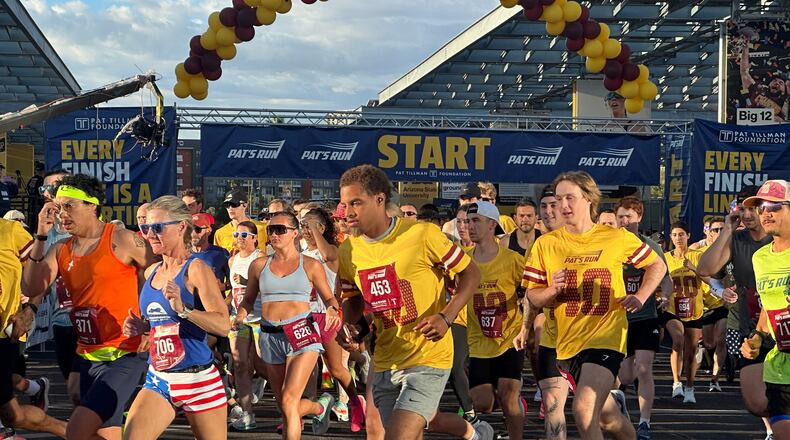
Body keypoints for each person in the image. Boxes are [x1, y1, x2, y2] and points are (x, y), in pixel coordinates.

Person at [336, 165, 490, 440]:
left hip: (428, 357)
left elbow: (471, 272)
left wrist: (446, 316)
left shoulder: (422, 235)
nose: (347, 212)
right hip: (385, 360)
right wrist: (351, 326)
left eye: (356, 202)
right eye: (345, 204)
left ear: (380, 199)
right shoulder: (349, 250)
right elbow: (353, 299)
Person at [526, 171, 666, 440]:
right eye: (558, 199)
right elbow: (533, 296)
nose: (562, 205)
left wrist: (641, 295)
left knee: (583, 409)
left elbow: (657, 264)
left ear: (589, 199)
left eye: (570, 198)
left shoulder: (614, 237)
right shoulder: (546, 244)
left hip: (606, 336)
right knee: (607, 418)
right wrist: (552, 290)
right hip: (567, 342)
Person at [21, 173, 155, 440]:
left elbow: (160, 277)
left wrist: (152, 325)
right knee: (106, 433)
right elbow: (31, 288)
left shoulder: (122, 239)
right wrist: (40, 235)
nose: (62, 215)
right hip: (88, 354)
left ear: (92, 205)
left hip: (125, 353)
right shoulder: (60, 249)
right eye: (58, 208)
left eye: (70, 206)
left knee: (78, 428)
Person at [122, 196, 230, 439]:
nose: (149, 234)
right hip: (159, 378)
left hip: (198, 381)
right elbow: (161, 323)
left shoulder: (196, 269)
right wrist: (143, 327)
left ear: (181, 226)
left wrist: (185, 310)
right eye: (145, 228)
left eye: (157, 227)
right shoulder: (151, 272)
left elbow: (223, 325)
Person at [234, 211, 341, 439]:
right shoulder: (259, 265)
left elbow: (330, 298)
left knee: (290, 399)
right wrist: (239, 316)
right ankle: (319, 407)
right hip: (270, 334)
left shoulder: (310, 265)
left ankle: (316, 407)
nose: (274, 234)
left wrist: (332, 308)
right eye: (271, 230)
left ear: (294, 233)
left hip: (302, 331)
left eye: (280, 229)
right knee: (284, 405)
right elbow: (248, 300)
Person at [697, 186, 774, 439]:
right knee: (756, 402)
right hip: (747, 328)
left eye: (754, 208)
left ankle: (775, 431)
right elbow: (704, 268)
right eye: (743, 208)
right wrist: (728, 229)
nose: (748, 214)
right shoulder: (736, 239)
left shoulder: (779, 239)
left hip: (779, 327)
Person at [300, 207, 366, 432]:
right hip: (304, 317)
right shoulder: (298, 252)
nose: (305, 230)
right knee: (306, 368)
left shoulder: (333, 251)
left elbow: (328, 256)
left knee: (337, 369)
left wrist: (314, 229)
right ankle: (303, 412)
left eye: (309, 225)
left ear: (322, 228)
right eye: (302, 226)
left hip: (328, 315)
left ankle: (357, 404)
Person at [0, 217, 67, 438]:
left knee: (11, 416)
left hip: (4, 335)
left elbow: (42, 274)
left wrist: (30, 309)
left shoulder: (10, 230)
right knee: (12, 416)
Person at [466, 201, 526, 440]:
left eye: (475, 221)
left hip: (508, 338)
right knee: (483, 404)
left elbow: (531, 288)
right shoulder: (463, 260)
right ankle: (490, 429)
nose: (469, 226)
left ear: (492, 225)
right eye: (467, 221)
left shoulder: (512, 260)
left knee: (508, 396)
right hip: (478, 340)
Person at [614, 197, 673, 440]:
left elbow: (666, 279)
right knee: (626, 375)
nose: (624, 221)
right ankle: (618, 404)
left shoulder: (651, 247)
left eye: (629, 216)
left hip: (646, 316)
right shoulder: (610, 246)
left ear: (639, 217)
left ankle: (644, 422)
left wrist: (666, 297)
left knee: (644, 368)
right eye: (620, 217)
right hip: (618, 320)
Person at [741, 179, 790, 439]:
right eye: (761, 208)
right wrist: (758, 337)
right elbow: (767, 306)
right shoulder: (760, 258)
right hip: (780, 364)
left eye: (775, 206)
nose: (766, 213)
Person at [40, 169, 81, 408]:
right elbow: (38, 279)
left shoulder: (94, 228)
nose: (51, 193)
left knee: (87, 386)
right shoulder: (46, 232)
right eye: (47, 189)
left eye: (56, 187)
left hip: (96, 318)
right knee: (73, 389)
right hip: (62, 319)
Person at [662, 221, 711, 404]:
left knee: (691, 350)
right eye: (674, 235)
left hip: (694, 309)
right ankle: (676, 382)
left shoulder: (698, 256)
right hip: (673, 308)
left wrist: (694, 269)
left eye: (681, 234)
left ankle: (690, 386)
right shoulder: (666, 258)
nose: (678, 238)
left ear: (689, 236)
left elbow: (708, 279)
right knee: (677, 339)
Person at [226, 221, 262, 431]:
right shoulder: (232, 261)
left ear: (255, 238)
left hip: (259, 318)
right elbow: (233, 291)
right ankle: (248, 413)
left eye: (244, 235)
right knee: (239, 364)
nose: (239, 238)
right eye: (236, 234)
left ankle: (289, 405)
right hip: (238, 318)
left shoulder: (261, 259)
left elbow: (268, 286)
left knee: (263, 366)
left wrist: (248, 280)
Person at [213, 189, 268, 254]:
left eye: (234, 204)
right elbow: (217, 258)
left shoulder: (262, 228)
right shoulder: (220, 233)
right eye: (227, 205)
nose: (230, 208)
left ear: (245, 205)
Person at [190, 213, 229, 287]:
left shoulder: (221, 253)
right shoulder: (182, 254)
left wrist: (223, 287)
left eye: (197, 229)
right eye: (190, 229)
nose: (193, 234)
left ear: (208, 231)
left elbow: (234, 282)